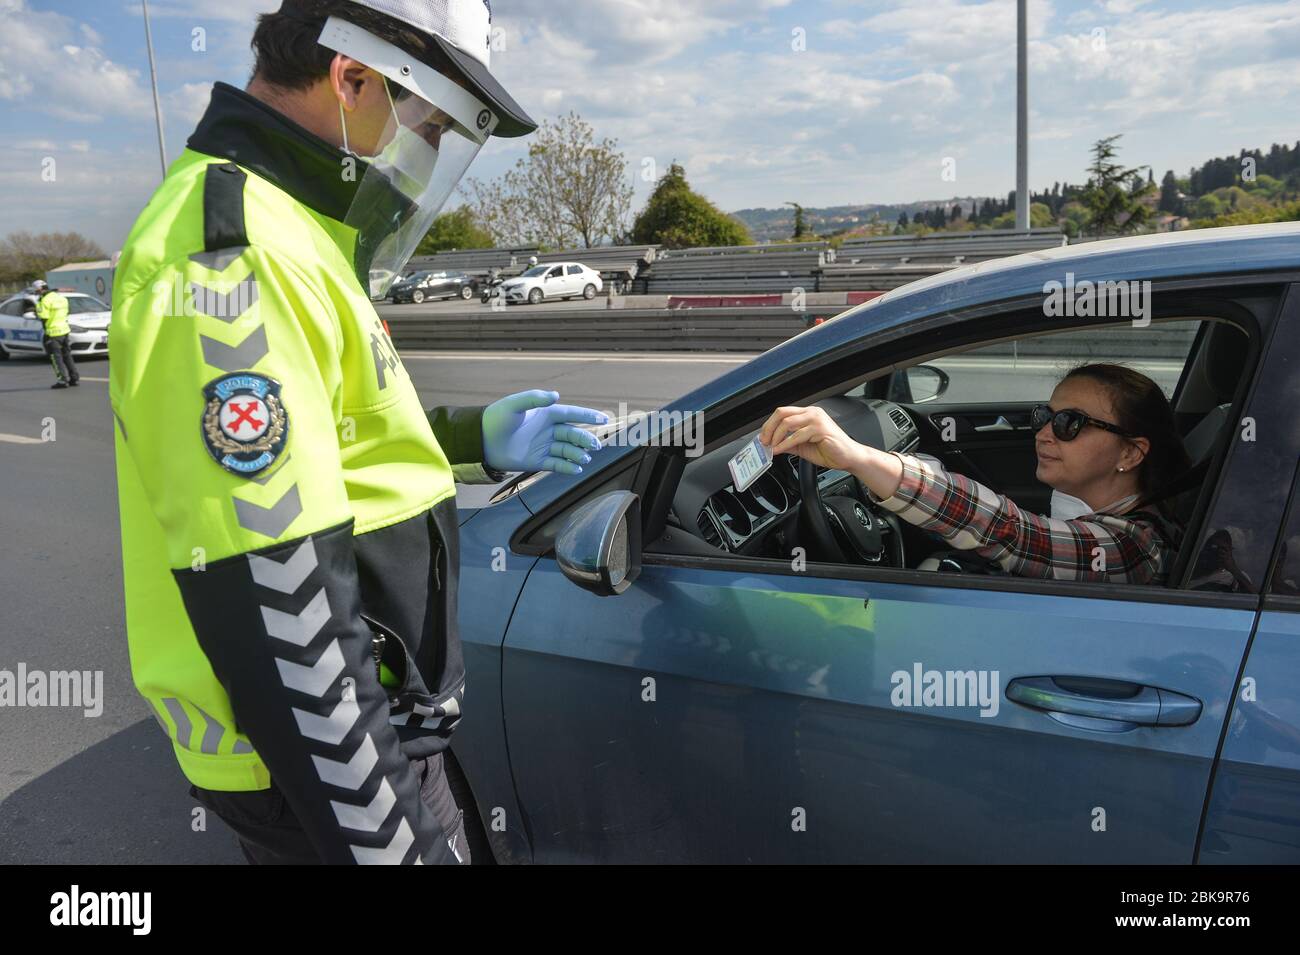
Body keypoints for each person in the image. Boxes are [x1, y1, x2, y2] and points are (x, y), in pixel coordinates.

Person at [110, 0, 606, 865]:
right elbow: (282, 614)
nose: (429, 158)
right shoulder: (234, 254)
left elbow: (326, 438)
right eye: (435, 128)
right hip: (328, 764)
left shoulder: (290, 226)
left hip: (381, 731)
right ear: (354, 78)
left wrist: (465, 439)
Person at [760, 363, 1190, 584]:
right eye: (1046, 415)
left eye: (1069, 424)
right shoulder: (1118, 516)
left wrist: (859, 459)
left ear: (1131, 453)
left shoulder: (1131, 548)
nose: (1043, 432)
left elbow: (1009, 532)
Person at [32, 280, 79, 388]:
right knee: (67, 355)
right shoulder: (61, 298)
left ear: (39, 290)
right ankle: (74, 378)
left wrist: (47, 334)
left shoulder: (43, 301)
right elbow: (66, 312)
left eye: (36, 291)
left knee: (56, 358)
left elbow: (44, 318)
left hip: (53, 333)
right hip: (65, 331)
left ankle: (63, 381)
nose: (37, 294)